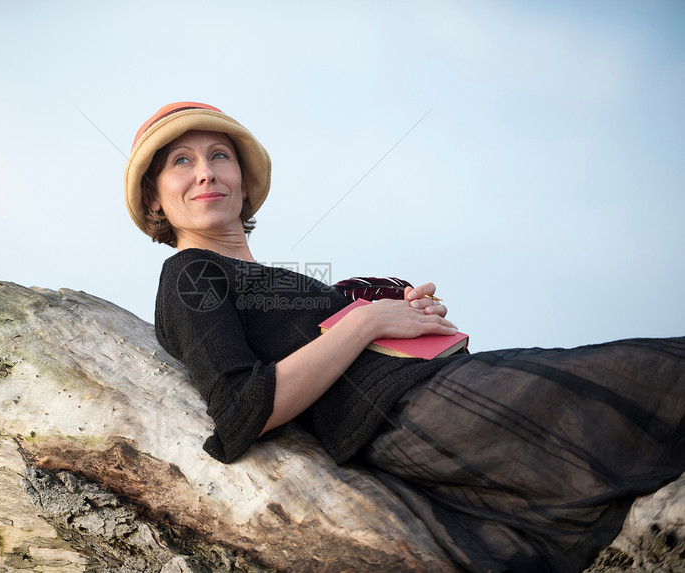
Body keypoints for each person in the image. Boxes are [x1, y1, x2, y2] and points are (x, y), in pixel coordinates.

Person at [124, 101, 685, 573]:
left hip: (442, 393)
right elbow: (241, 411)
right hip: (411, 416)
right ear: (154, 198)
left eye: (219, 156)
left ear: (243, 185)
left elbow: (337, 346)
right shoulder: (191, 273)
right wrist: (367, 323)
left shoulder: (283, 281)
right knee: (654, 377)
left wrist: (409, 319)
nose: (206, 171)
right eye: (181, 161)